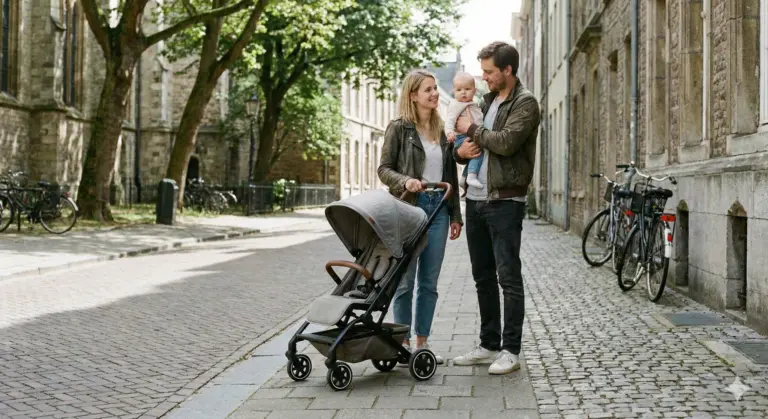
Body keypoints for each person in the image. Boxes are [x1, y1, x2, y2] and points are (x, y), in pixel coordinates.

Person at [450, 42, 541, 375]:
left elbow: (505, 142)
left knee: (508, 277)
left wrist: (471, 130)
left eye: (489, 72)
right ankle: (488, 344)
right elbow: (467, 146)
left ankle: (510, 350)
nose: (483, 77)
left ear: (507, 70)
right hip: (476, 200)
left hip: (505, 201)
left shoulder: (525, 103)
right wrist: (460, 153)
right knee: (482, 277)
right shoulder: (486, 101)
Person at [377, 69, 463, 365]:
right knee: (404, 281)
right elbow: (384, 169)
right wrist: (405, 181)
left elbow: (450, 175)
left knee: (429, 282)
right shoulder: (399, 128)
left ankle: (421, 345)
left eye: (435, 88)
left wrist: (455, 215)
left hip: (438, 209)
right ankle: (401, 343)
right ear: (413, 95)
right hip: (408, 210)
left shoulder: (442, 131)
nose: (435, 93)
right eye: (428, 89)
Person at [444, 72, 485, 189]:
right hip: (462, 137)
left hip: (471, 134)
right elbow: (450, 120)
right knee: (478, 152)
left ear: (474, 90)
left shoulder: (473, 103)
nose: (463, 92)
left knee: (474, 154)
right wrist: (449, 132)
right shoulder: (456, 104)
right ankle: (471, 176)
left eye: (467, 89)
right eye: (459, 90)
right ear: (454, 91)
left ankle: (464, 178)